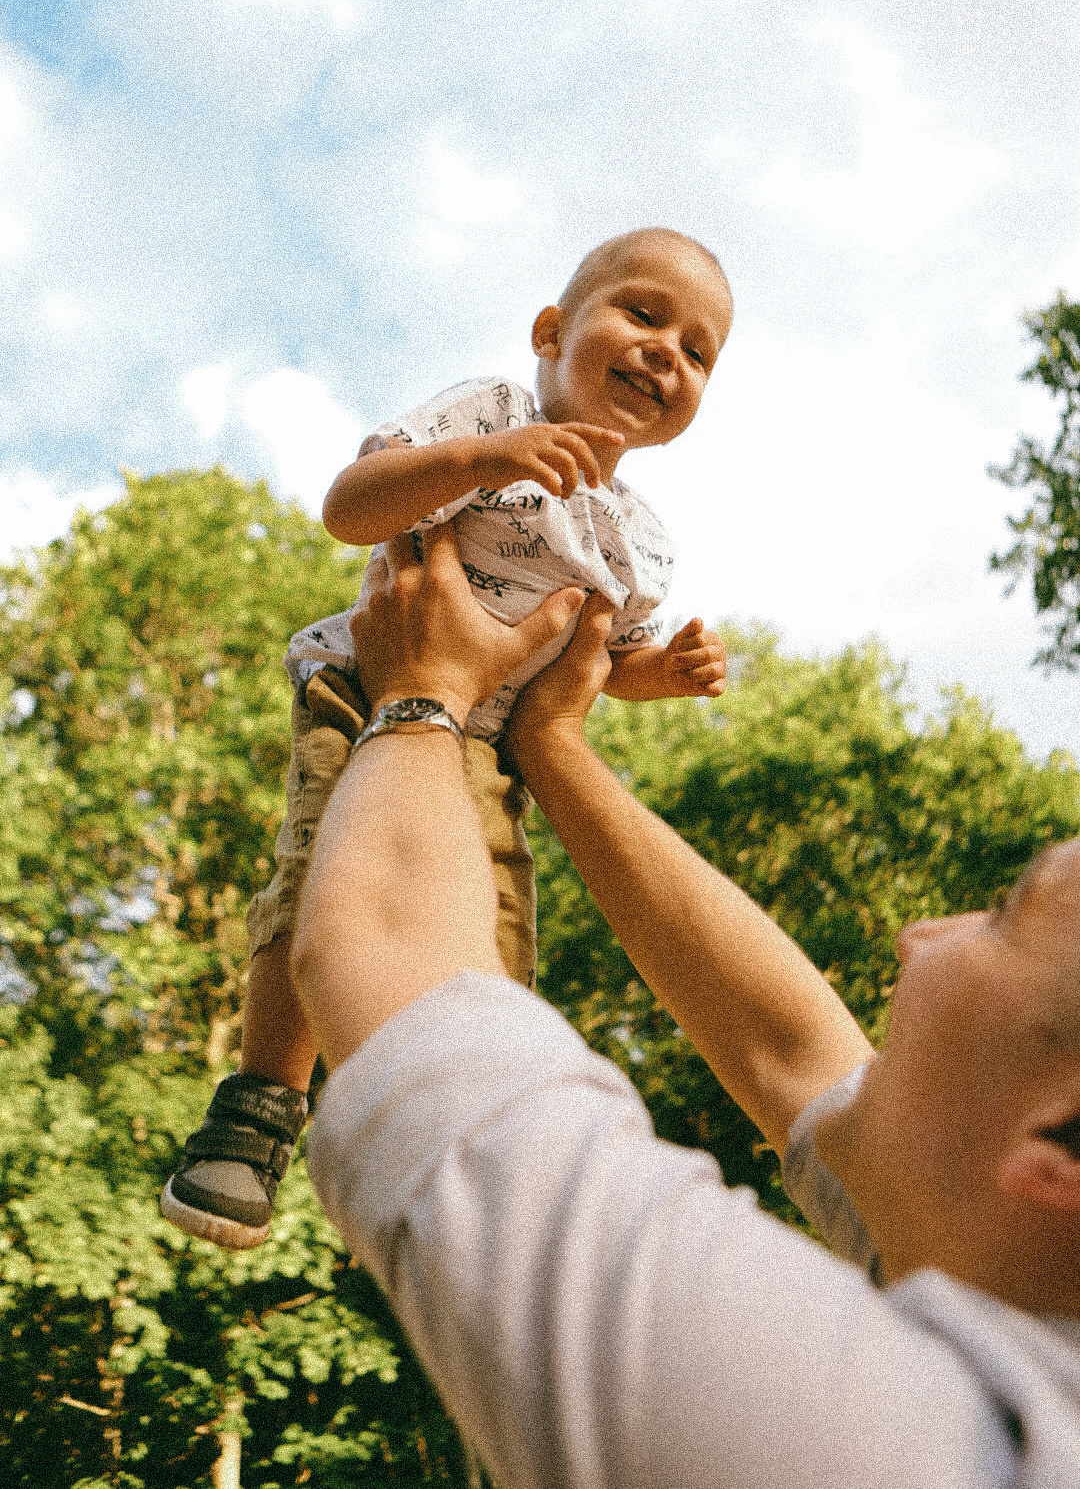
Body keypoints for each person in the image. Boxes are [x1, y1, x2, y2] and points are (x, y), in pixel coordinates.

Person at [292, 526, 1080, 1489]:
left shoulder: (891, 1446)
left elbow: (388, 962)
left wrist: (423, 692)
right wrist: (549, 743)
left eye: (1003, 917)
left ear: (1052, 1154)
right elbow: (786, 1047)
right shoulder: (1032, 1274)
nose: (921, 933)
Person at [161, 227, 734, 1248]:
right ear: (551, 334)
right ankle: (258, 1108)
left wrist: (667, 674)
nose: (665, 354)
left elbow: (606, 663)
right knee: (327, 877)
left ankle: (473, 1156)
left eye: (697, 352)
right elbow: (349, 508)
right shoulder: (490, 412)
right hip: (370, 688)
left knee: (493, 926)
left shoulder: (642, 539)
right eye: (642, 315)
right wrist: (481, 461)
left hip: (490, 754)